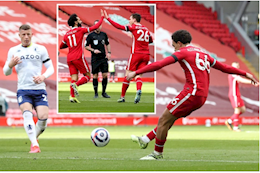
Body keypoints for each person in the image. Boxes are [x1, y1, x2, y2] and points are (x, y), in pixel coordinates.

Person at [127, 30, 259, 160]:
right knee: (169, 119)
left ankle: (157, 154)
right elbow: (224, 67)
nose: (174, 49)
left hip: (192, 92)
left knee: (163, 119)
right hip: (202, 95)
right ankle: (146, 139)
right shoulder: (203, 53)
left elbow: (159, 64)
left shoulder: (182, 52)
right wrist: (245, 73)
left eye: (174, 46)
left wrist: (135, 72)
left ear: (179, 43)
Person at [3, 24, 54, 153]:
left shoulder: (40, 49)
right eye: (23, 35)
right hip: (23, 89)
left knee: (43, 118)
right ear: (19, 35)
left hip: (39, 89)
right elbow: (6, 72)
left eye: (28, 34)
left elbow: (51, 68)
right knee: (27, 113)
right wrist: (10, 64)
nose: (26, 37)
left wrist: (43, 76)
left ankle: (33, 139)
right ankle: (35, 145)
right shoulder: (13, 50)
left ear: (32, 34)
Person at [104, 10, 153, 103]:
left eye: (130, 19)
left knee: (128, 75)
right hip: (146, 55)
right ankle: (138, 90)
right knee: (138, 75)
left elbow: (119, 27)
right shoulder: (146, 29)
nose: (129, 20)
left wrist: (108, 19)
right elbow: (150, 40)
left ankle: (122, 97)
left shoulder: (133, 27)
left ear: (134, 20)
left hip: (136, 54)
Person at [59, 10, 104, 103]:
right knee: (87, 76)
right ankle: (76, 86)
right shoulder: (80, 30)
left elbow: (61, 46)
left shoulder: (66, 34)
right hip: (78, 57)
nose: (80, 20)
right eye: (79, 19)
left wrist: (70, 45)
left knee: (74, 78)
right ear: (75, 22)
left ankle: (72, 97)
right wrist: (102, 18)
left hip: (69, 58)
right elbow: (95, 27)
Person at [225, 62, 259, 132]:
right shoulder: (232, 73)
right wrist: (252, 82)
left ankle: (230, 121)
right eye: (234, 66)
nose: (236, 67)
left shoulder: (236, 74)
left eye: (237, 66)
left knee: (243, 109)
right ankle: (235, 127)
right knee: (237, 110)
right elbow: (241, 80)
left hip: (237, 94)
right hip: (234, 94)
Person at [85, 19, 111, 98]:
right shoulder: (90, 35)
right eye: (96, 25)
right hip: (95, 58)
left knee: (105, 75)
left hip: (103, 57)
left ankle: (104, 92)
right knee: (95, 75)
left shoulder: (104, 34)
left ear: (101, 26)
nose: (98, 27)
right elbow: (86, 46)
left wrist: (109, 53)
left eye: (99, 25)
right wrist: (93, 50)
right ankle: (96, 93)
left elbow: (107, 44)